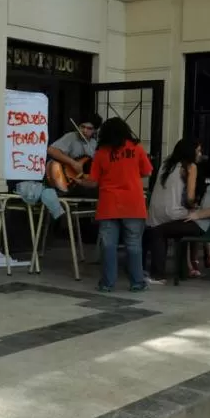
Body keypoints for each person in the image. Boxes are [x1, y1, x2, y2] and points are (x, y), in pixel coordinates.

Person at [146, 144, 210, 284]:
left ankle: (157, 275)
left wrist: (199, 214)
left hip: (205, 224)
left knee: (158, 231)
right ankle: (178, 271)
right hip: (204, 221)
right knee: (165, 228)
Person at [88, 117, 152, 292]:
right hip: (133, 203)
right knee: (133, 245)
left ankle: (107, 283)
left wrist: (77, 180)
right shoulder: (137, 149)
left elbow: (93, 181)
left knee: (108, 246)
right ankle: (137, 282)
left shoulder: (101, 152)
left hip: (109, 204)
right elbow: (147, 172)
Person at [145, 139, 199, 276]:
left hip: (154, 214)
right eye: (198, 151)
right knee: (194, 219)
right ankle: (189, 266)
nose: (200, 154)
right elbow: (190, 198)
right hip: (172, 214)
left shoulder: (166, 164)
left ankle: (186, 267)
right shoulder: (190, 167)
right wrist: (196, 206)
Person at [47, 113, 102, 196]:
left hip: (81, 183)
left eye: (89, 128)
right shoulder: (71, 137)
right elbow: (51, 150)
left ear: (95, 130)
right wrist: (73, 163)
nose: (84, 131)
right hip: (67, 179)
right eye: (82, 127)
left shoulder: (95, 145)